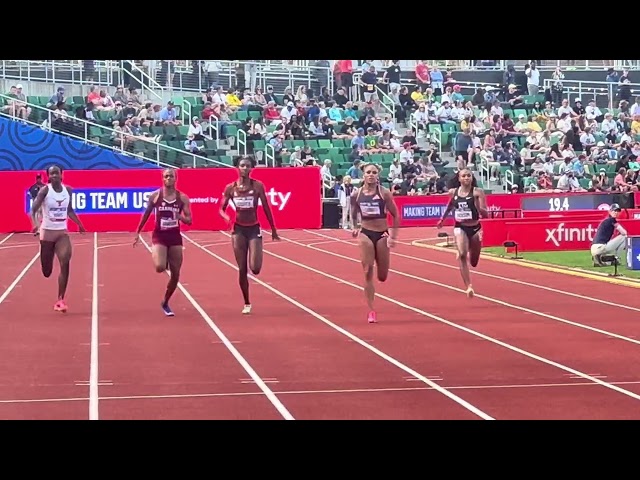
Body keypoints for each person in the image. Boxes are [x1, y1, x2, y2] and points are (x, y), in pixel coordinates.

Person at [219, 156, 280, 314]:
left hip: (254, 228)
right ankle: (247, 302)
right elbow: (221, 209)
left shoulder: (258, 186)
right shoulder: (230, 188)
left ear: (252, 168)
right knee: (242, 269)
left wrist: (273, 229)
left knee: (255, 268)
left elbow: (266, 207)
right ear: (237, 167)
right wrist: (227, 218)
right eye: (242, 165)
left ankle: (257, 256)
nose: (245, 168)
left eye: (247, 166)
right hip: (238, 230)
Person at [133, 168, 192, 317]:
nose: (168, 178)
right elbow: (146, 214)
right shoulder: (155, 196)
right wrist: (138, 232)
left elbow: (189, 221)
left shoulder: (182, 198)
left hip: (175, 236)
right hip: (159, 235)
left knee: (176, 274)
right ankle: (162, 257)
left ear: (175, 178)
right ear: (162, 178)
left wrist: (179, 216)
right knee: (160, 267)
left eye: (171, 176)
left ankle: (165, 302)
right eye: (166, 176)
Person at [29, 165, 86, 312]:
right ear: (48, 176)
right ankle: (47, 265)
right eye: (51, 174)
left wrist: (79, 224)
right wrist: (35, 224)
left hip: (62, 232)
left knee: (65, 261)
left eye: (56, 173)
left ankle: (60, 299)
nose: (54, 176)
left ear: (62, 175)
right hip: (47, 233)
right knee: (46, 271)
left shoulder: (68, 191)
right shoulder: (45, 191)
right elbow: (33, 209)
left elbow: (69, 210)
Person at [350, 162, 399, 324]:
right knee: (367, 270)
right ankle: (371, 310)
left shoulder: (384, 193)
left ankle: (382, 270)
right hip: (365, 233)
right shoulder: (356, 195)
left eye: (374, 172)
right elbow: (353, 212)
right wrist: (355, 226)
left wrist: (393, 236)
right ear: (363, 174)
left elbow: (395, 214)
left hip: (382, 233)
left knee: (382, 276)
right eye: (368, 172)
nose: (371, 175)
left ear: (378, 175)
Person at [436, 169, 488, 298]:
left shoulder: (478, 192)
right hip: (460, 226)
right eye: (463, 176)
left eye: (468, 175)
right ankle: (469, 286)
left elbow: (485, 214)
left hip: (475, 227)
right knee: (463, 255)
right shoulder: (453, 192)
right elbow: (449, 206)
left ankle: (465, 248)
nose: (466, 178)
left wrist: (477, 206)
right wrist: (442, 219)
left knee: (474, 262)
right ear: (459, 179)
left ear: (472, 177)